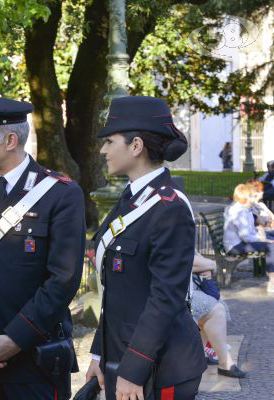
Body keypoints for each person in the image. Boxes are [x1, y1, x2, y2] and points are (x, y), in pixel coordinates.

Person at [0, 92, 86, 399]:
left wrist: (15, 338)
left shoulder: (60, 194)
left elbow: (62, 280)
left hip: (35, 359)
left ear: (10, 140)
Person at [85, 96, 206, 400]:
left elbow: (166, 298)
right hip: (124, 357)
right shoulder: (131, 199)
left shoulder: (169, 208)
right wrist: (100, 355)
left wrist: (132, 369)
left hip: (159, 366)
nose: (103, 150)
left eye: (110, 141)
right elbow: (115, 293)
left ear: (135, 146)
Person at [191, 253, 246, 378]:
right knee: (216, 309)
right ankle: (224, 363)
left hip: (188, 288)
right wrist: (211, 265)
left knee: (214, 304)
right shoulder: (173, 234)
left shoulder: (181, 234)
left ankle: (200, 357)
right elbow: (184, 262)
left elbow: (197, 259)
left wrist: (206, 266)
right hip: (174, 293)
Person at [224, 183, 274, 293]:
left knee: (271, 241)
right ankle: (272, 282)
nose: (254, 198)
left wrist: (262, 237)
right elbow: (246, 237)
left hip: (241, 243)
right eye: (252, 196)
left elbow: (249, 233)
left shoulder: (245, 209)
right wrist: (262, 239)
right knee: (271, 246)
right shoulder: (239, 211)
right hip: (235, 246)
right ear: (246, 197)